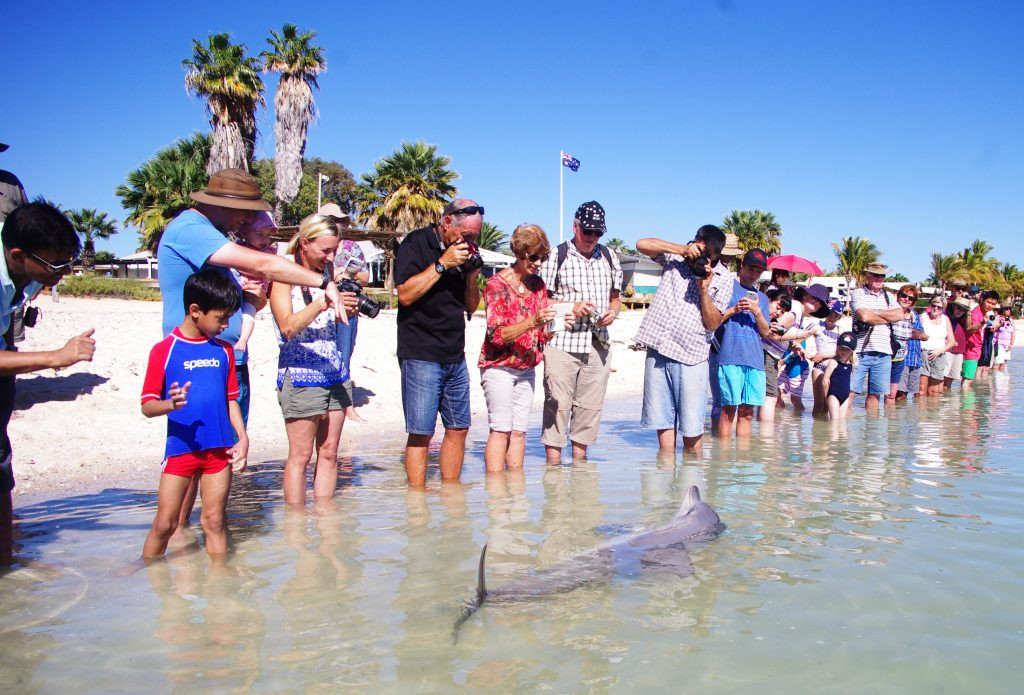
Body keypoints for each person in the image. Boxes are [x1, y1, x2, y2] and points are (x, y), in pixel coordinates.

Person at [158, 168, 354, 526]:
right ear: (224, 204)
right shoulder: (191, 229)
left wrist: (251, 297)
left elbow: (244, 296)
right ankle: (179, 532)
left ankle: (208, 534)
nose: (248, 219)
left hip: (228, 355)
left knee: (227, 446)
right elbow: (265, 264)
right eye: (245, 210)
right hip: (193, 356)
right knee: (197, 449)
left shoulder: (214, 236)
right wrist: (324, 284)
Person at [0, 203, 95, 563]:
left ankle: (8, 565)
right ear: (18, 255)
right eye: (57, 265)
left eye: (69, 262)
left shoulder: (25, 270)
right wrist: (56, 356)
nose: (65, 272)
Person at [141, 269, 247, 557]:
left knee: (214, 521)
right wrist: (169, 405)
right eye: (221, 317)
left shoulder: (224, 351)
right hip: (181, 450)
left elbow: (231, 400)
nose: (226, 325)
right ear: (195, 310)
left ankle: (220, 585)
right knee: (165, 523)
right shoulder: (165, 350)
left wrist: (243, 437)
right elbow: (147, 406)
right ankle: (147, 573)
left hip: (219, 452)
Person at [394, 198, 484, 487]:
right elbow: (405, 295)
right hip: (420, 352)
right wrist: (443, 264)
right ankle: (417, 502)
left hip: (454, 354)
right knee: (421, 432)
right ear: (447, 223)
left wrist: (471, 276)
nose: (469, 242)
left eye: (474, 237)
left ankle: (451, 497)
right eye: (466, 235)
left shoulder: (466, 254)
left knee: (459, 428)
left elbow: (471, 307)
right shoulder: (416, 243)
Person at [270, 214, 357, 505]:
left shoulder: (328, 271)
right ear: (305, 243)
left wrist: (345, 308)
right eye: (325, 250)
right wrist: (323, 303)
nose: (331, 257)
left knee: (330, 451)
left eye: (334, 250)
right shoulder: (283, 275)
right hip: (300, 372)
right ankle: (295, 528)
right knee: (301, 456)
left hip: (334, 372)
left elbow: (329, 322)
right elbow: (288, 327)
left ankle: (325, 522)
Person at [633, 225, 733, 451]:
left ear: (717, 256)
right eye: (700, 248)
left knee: (692, 431)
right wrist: (682, 249)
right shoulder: (675, 258)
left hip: (692, 357)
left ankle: (691, 481)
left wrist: (703, 290)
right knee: (662, 425)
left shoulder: (724, 278)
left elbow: (713, 324)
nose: (703, 257)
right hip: (658, 348)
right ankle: (664, 475)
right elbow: (641, 244)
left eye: (709, 255)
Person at [538, 201, 622, 463]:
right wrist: (570, 307)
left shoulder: (609, 256)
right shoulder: (557, 255)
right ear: (575, 226)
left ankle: (580, 471)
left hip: (598, 344)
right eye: (588, 232)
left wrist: (613, 313)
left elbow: (615, 299)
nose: (592, 238)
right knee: (557, 407)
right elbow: (541, 301)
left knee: (589, 410)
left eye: (598, 233)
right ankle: (553, 470)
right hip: (562, 342)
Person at [478, 224, 563, 471]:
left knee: (519, 432)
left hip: (526, 368)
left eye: (542, 258)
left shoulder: (538, 285)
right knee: (501, 430)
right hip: (499, 368)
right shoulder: (497, 285)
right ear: (519, 252)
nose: (538, 263)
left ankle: (515, 493)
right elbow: (496, 335)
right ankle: (495, 493)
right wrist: (533, 321)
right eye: (533, 257)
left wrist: (555, 325)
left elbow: (541, 335)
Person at [715, 249, 775, 439]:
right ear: (742, 265)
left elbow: (766, 332)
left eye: (759, 271)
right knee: (728, 412)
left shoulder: (763, 298)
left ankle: (745, 462)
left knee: (747, 413)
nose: (754, 274)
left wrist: (757, 312)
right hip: (729, 357)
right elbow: (712, 320)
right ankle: (723, 463)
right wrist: (734, 309)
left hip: (755, 360)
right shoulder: (727, 286)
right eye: (751, 268)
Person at [321, 203, 371, 425]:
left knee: (344, 354)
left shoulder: (352, 248)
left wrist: (346, 273)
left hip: (349, 306)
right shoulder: (314, 246)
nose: (338, 223)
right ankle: (325, 403)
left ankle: (346, 407)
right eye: (333, 219)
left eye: (340, 220)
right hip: (322, 307)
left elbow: (366, 277)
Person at [849, 262, 909, 410]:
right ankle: (843, 430)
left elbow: (900, 314)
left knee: (875, 395)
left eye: (882, 275)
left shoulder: (889, 296)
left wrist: (874, 313)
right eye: (876, 275)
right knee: (849, 392)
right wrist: (887, 316)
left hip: (884, 352)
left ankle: (873, 431)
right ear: (867, 276)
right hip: (860, 351)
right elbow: (863, 316)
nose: (879, 278)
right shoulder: (858, 293)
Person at [777, 283, 831, 410]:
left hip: (797, 366)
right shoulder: (796, 307)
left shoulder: (799, 314)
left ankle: (794, 422)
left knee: (793, 398)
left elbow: (787, 337)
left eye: (820, 303)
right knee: (776, 394)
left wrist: (796, 346)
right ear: (805, 295)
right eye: (815, 299)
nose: (817, 303)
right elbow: (778, 329)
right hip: (787, 361)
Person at [231, 211, 278, 354]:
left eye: (268, 235)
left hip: (253, 291)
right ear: (244, 233)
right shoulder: (238, 248)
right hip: (237, 288)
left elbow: (258, 269)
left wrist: (239, 267)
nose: (265, 239)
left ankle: (243, 339)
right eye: (260, 234)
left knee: (248, 313)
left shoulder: (267, 252)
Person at [707, 233, 742, 423]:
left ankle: (718, 443)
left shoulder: (728, 276)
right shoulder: (714, 275)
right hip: (715, 341)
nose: (729, 258)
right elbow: (715, 316)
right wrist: (734, 310)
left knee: (722, 400)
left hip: (723, 341)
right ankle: (717, 436)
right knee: (720, 399)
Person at [888, 285, 928, 402]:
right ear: (898, 296)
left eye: (911, 298)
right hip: (900, 359)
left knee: (910, 395)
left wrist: (914, 333)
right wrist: (914, 333)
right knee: (897, 394)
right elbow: (918, 334)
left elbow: (923, 334)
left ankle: (901, 418)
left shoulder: (914, 314)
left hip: (914, 359)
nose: (907, 299)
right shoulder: (892, 312)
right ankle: (893, 418)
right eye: (904, 296)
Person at [810, 300, 844, 414]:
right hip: (819, 367)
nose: (831, 318)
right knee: (819, 404)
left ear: (839, 317)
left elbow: (841, 352)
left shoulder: (841, 331)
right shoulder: (817, 325)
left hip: (833, 368)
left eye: (835, 316)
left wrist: (822, 355)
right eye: (829, 313)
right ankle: (816, 430)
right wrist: (808, 354)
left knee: (829, 405)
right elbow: (800, 339)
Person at [919, 295, 956, 396]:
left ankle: (932, 411)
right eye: (933, 305)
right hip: (923, 353)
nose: (935, 308)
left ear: (943, 309)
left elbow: (952, 341)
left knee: (934, 391)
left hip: (939, 354)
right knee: (921, 389)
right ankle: (920, 411)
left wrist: (940, 351)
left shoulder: (945, 319)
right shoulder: (923, 317)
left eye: (939, 307)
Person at [961, 290, 1000, 389]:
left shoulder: (984, 313)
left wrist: (992, 327)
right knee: (968, 381)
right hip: (971, 349)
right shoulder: (976, 313)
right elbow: (969, 329)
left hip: (977, 348)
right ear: (982, 300)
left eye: (993, 304)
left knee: (968, 379)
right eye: (988, 302)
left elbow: (996, 323)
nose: (990, 305)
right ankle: (967, 403)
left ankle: (967, 402)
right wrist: (982, 322)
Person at [822, 332, 857, 420]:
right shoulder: (833, 362)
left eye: (847, 349)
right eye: (841, 348)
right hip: (833, 395)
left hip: (845, 397)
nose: (844, 352)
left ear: (852, 351)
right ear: (837, 348)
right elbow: (825, 381)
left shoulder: (851, 364)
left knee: (842, 424)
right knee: (834, 422)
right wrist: (826, 397)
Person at [943, 297, 971, 390]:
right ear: (953, 306)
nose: (960, 311)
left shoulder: (962, 320)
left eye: (963, 310)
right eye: (958, 308)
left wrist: (968, 314)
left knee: (950, 379)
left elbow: (969, 328)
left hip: (959, 351)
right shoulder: (945, 317)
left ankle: (945, 402)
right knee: (942, 378)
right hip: (947, 350)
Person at [994, 306, 1015, 371]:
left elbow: (1013, 333)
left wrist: (1011, 344)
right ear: (1002, 310)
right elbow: (994, 329)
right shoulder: (997, 318)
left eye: (1009, 309)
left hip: (1007, 344)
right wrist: (1001, 323)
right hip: (998, 343)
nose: (1008, 310)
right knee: (997, 363)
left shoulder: (1011, 320)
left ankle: (1002, 380)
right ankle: (994, 379)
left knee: (1004, 363)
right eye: (1006, 309)